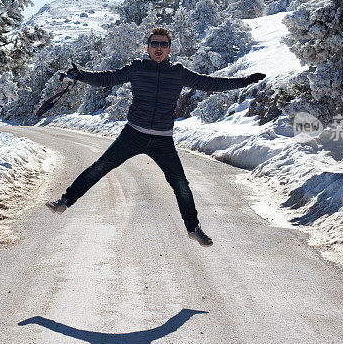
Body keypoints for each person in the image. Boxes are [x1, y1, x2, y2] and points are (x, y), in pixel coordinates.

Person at [45, 27, 265, 246]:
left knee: (180, 184)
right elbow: (107, 78)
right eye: (154, 44)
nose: (158, 48)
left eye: (163, 45)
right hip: (133, 134)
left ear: (169, 49)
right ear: (147, 47)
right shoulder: (137, 68)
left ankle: (193, 228)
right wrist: (82, 76)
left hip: (162, 140)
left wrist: (245, 81)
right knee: (100, 167)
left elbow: (211, 83)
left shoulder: (178, 72)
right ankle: (65, 201)